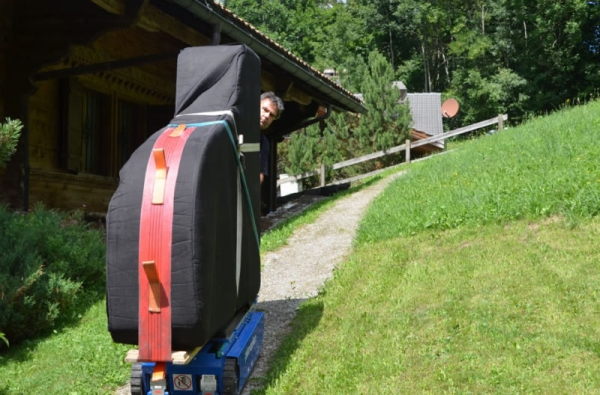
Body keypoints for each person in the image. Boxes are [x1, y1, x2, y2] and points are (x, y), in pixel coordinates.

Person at [259, 92, 284, 185]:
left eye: (271, 115)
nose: (266, 116)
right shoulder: (235, 125)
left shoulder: (264, 143)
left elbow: (260, 177)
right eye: (265, 109)